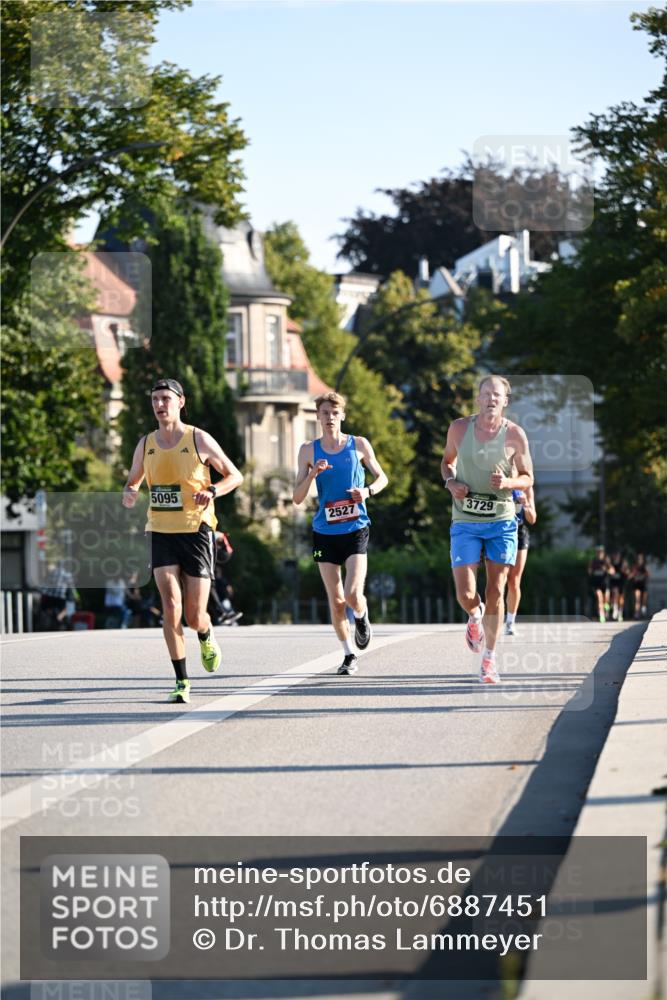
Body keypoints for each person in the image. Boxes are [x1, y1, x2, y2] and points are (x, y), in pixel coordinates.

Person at [122, 378, 243, 703]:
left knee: (194, 614)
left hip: (196, 531)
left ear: (180, 402)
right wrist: (130, 492)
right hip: (160, 531)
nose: (160, 405)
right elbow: (134, 480)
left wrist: (213, 490)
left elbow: (235, 475)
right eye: (155, 399)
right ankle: (181, 680)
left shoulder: (198, 438)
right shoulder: (145, 443)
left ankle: (204, 633)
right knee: (170, 607)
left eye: (165, 398)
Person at [441, 375, 534, 684]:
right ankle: (473, 614)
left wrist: (507, 483)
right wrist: (451, 482)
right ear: (478, 398)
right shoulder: (458, 428)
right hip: (465, 520)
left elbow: (528, 477)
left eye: (498, 395)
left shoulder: (515, 436)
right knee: (466, 593)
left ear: (505, 401)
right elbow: (446, 462)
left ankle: (490, 660)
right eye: (486, 393)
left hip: (502, 521)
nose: (491, 398)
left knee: (496, 589)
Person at [293, 391, 388, 675]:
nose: (330, 418)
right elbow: (297, 498)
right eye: (324, 413)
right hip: (324, 531)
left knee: (351, 594)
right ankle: (348, 654)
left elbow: (382, 478)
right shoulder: (308, 450)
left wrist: (367, 491)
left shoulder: (358, 445)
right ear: (318, 417)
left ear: (342, 415)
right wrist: (312, 474)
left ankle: (361, 615)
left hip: (356, 527)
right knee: (335, 600)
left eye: (335, 413)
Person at [504, 486, 537, 636]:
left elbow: (532, 518)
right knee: (501, 579)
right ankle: (495, 618)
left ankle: (510, 622)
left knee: (514, 580)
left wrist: (526, 504)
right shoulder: (501, 480)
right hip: (501, 532)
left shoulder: (526, 487)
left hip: (520, 533)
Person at [588, 545, 611, 623]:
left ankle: (606, 606)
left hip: (605, 583)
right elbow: (589, 571)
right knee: (599, 598)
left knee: (606, 600)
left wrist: (606, 570)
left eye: (601, 552)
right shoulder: (593, 561)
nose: (599, 554)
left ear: (603, 553)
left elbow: (612, 571)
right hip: (597, 583)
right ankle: (602, 615)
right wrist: (592, 571)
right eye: (598, 552)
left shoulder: (606, 561)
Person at [608, 550, 630, 622]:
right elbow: (607, 570)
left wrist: (625, 571)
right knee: (615, 593)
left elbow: (628, 572)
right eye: (615, 556)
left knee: (621, 599)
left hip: (621, 582)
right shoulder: (611, 563)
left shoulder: (623, 563)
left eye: (617, 556)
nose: (616, 557)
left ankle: (620, 613)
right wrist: (609, 571)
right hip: (614, 583)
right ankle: (615, 608)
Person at [629, 553, 650, 619]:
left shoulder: (644, 566)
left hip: (643, 585)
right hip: (636, 585)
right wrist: (633, 575)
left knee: (644, 599)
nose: (639, 560)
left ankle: (643, 608)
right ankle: (637, 613)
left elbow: (648, 575)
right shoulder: (635, 567)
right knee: (637, 599)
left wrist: (645, 574)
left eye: (640, 559)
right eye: (638, 559)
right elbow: (630, 576)